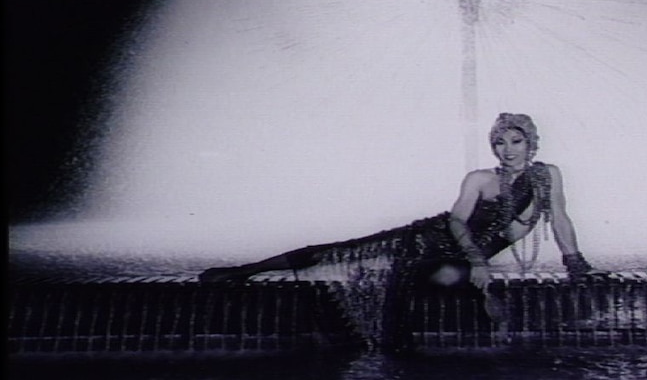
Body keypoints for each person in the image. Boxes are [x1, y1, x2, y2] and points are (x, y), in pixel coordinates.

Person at [199, 113, 596, 349]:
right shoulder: (479, 178)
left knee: (433, 277)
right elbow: (456, 220)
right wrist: (479, 262)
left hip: (452, 261)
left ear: (531, 143)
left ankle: (374, 286)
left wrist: (576, 265)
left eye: (515, 141)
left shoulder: (547, 176)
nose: (507, 150)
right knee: (342, 249)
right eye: (499, 142)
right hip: (426, 240)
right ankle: (241, 271)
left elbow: (559, 217)